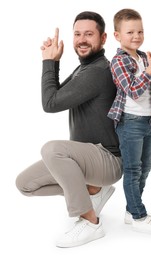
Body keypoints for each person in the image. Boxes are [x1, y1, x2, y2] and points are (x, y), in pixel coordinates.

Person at [15, 11, 122, 247]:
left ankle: (91, 221)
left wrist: (48, 62)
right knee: (25, 184)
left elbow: (49, 104)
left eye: (89, 34)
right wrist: (54, 61)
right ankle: (93, 191)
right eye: (77, 34)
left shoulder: (97, 71)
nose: (82, 39)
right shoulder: (84, 68)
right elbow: (56, 97)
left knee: (52, 149)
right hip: (87, 159)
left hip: (107, 158)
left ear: (103, 38)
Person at [108, 8, 151, 235]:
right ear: (117, 36)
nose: (136, 36)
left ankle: (130, 210)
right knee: (133, 170)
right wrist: (150, 70)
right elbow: (133, 91)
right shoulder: (118, 61)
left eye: (140, 31)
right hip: (130, 122)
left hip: (148, 121)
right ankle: (138, 215)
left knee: (146, 167)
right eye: (130, 32)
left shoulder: (144, 57)